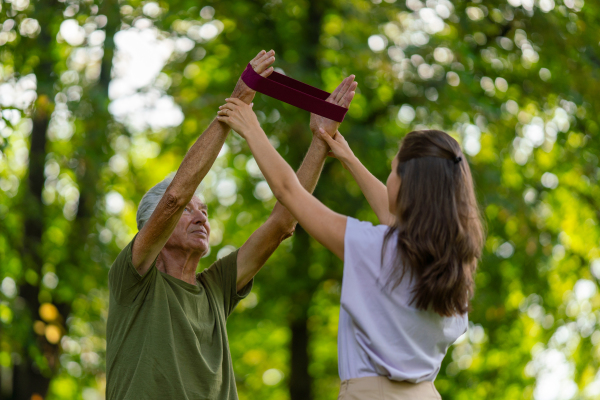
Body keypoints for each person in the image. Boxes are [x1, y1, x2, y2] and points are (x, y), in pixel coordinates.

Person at [105, 50, 357, 400]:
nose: (201, 216)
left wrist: (320, 141)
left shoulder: (216, 288)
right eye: (190, 211)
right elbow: (176, 196)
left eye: (205, 209)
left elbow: (284, 222)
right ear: (155, 228)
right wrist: (235, 106)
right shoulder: (133, 278)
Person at [217, 99, 485, 399]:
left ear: (410, 185)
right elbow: (395, 220)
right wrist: (348, 158)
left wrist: (251, 127)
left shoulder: (375, 248)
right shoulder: (455, 266)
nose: (389, 178)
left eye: (393, 170)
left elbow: (288, 191)